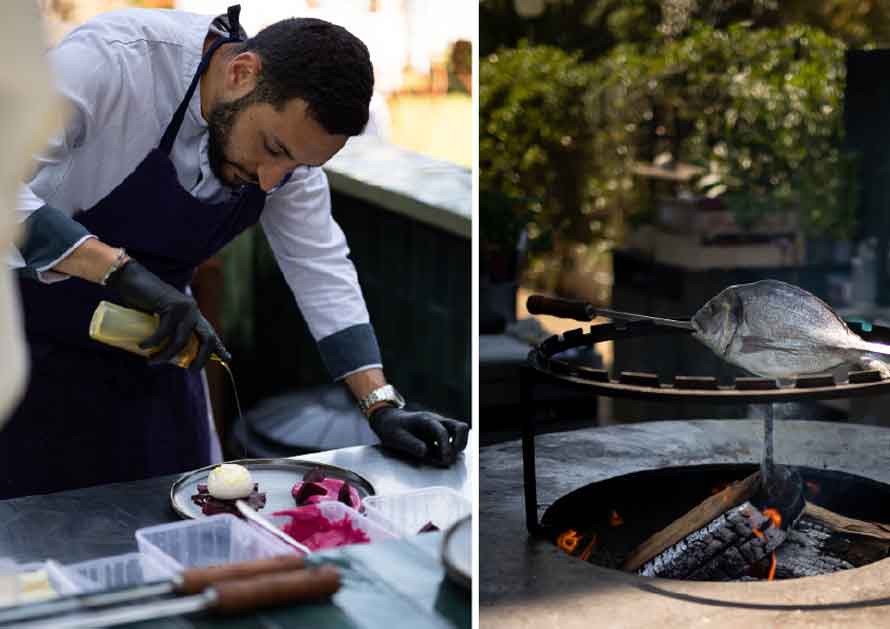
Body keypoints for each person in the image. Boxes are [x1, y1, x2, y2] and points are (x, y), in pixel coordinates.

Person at [0, 5, 468, 499]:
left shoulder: (286, 156)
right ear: (242, 73)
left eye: (295, 167)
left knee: (183, 521)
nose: (271, 180)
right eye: (273, 148)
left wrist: (381, 405)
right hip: (22, 346)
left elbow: (321, 267)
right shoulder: (113, 62)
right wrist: (119, 272)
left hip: (153, 353)